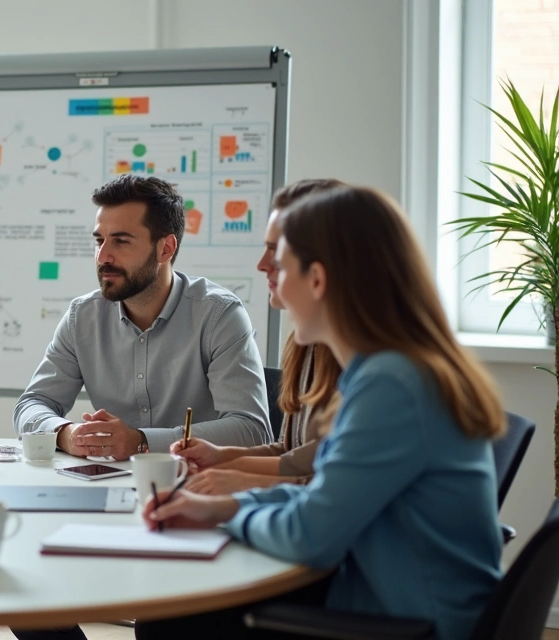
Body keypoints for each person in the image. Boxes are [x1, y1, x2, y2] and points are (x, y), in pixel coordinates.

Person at [144, 185, 504, 640]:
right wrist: (220, 505)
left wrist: (222, 513)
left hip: (410, 625)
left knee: (173, 626)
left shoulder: (392, 385)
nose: (269, 273)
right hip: (392, 602)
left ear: (317, 279)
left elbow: (310, 535)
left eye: (282, 263)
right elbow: (324, 496)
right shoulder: (390, 370)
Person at [13, 174, 270, 460]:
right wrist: (66, 434)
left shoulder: (219, 315)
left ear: (166, 248)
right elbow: (32, 405)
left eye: (121, 241)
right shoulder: (82, 317)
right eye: (100, 240)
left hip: (196, 485)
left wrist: (141, 442)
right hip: (109, 481)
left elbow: (252, 431)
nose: (102, 256)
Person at [172, 179, 345, 495]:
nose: (262, 265)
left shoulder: (374, 371)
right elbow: (293, 454)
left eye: (275, 252)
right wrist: (222, 458)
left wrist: (241, 486)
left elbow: (334, 491)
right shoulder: (306, 342)